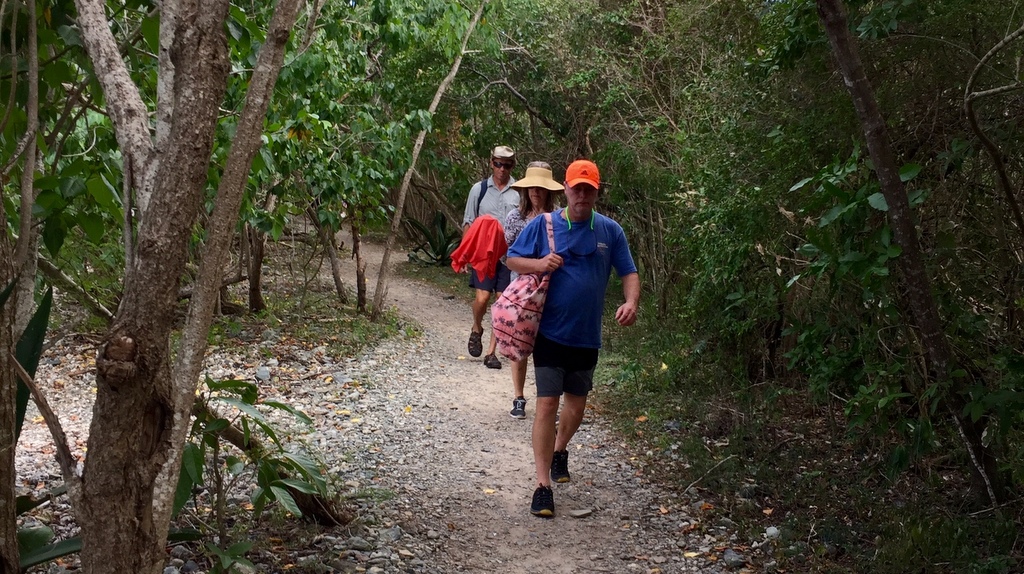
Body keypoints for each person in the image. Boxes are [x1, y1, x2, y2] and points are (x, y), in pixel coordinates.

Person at [506, 159, 640, 518]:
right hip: (549, 333)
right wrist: (540, 264)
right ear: (565, 188)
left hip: (586, 337)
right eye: (576, 187)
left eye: (589, 189)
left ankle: (560, 449)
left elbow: (628, 271)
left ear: (596, 193)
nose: (582, 194)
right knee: (546, 405)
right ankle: (542, 486)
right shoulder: (544, 225)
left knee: (576, 407)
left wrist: (631, 302)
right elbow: (513, 260)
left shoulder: (610, 231)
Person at [504, 162, 561, 420]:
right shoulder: (514, 218)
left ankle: (547, 400)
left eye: (540, 187)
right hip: (521, 291)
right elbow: (510, 255)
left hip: (551, 290)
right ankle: (518, 396)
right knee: (520, 340)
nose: (535, 192)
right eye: (531, 187)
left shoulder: (560, 217)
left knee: (546, 344)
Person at [462, 145, 520, 369]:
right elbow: (469, 221)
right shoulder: (479, 190)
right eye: (498, 164)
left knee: (502, 302)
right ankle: (477, 327)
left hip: (509, 256)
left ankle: (491, 352)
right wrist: (466, 254)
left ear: (512, 166)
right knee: (482, 298)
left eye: (506, 165)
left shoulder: (519, 191)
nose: (502, 169)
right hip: (484, 254)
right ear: (491, 162)